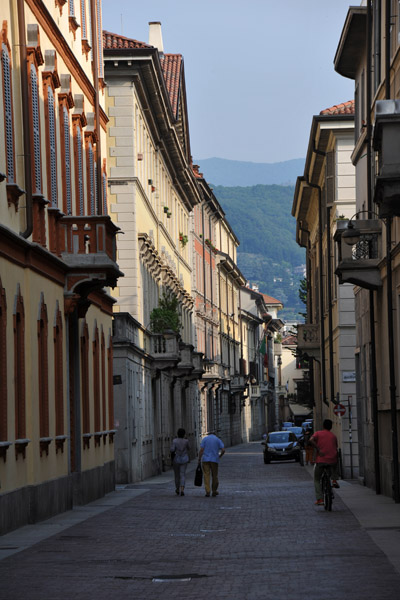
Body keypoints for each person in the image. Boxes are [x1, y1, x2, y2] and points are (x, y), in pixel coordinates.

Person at [309, 419, 340, 505]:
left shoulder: (318, 433)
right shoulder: (333, 436)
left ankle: (320, 499)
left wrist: (318, 448)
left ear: (323, 426)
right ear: (331, 427)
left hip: (321, 460)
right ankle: (334, 480)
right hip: (332, 460)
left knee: (316, 479)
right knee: (335, 464)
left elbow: (311, 440)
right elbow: (335, 448)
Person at [198, 431, 225, 497]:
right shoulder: (218, 440)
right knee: (214, 476)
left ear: (208, 434)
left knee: (206, 475)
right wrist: (220, 456)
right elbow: (223, 450)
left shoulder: (205, 439)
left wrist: (199, 458)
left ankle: (207, 491)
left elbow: (201, 450)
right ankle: (214, 490)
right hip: (214, 460)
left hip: (205, 460)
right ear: (215, 434)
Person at [170, 428, 190, 496]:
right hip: (184, 459)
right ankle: (182, 489)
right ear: (184, 434)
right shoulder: (186, 441)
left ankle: (177, 488)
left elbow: (172, 449)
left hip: (177, 459)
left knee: (177, 475)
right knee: (183, 474)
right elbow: (189, 448)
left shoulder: (174, 441)